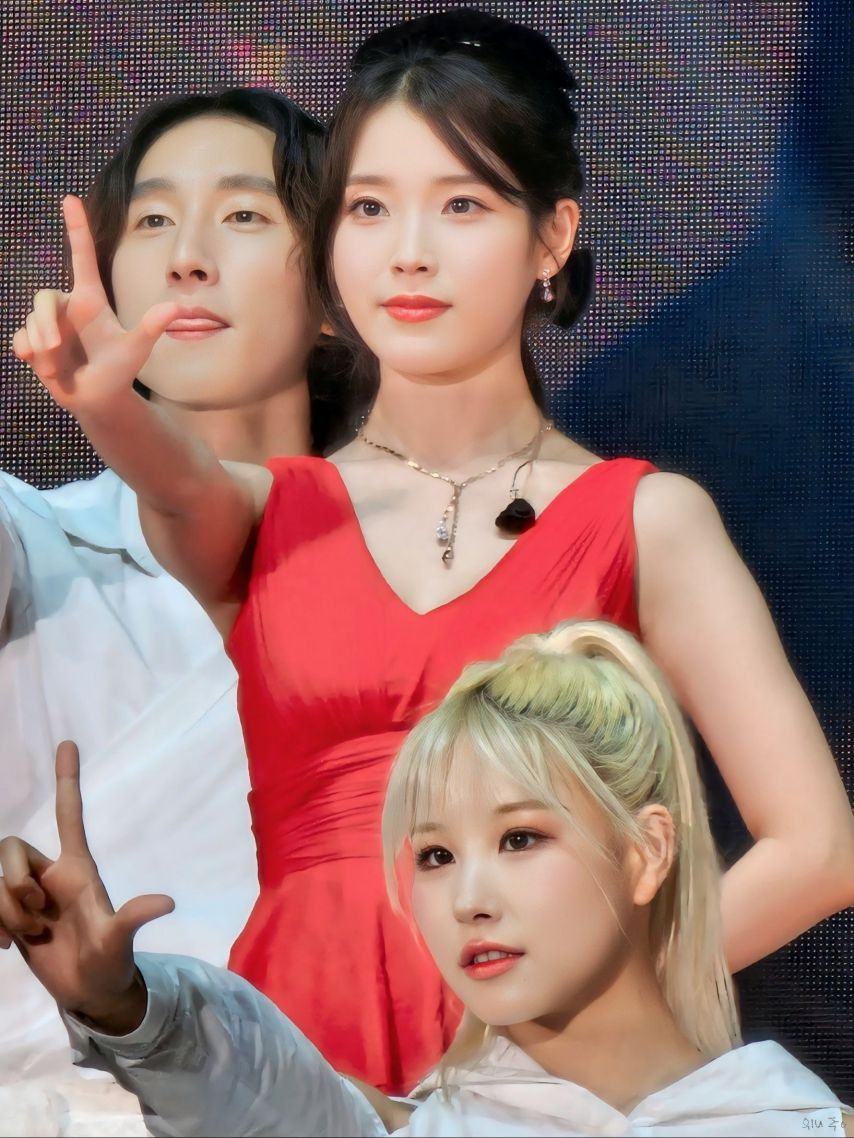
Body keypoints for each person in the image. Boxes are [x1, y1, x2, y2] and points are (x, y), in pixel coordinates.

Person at [15, 9, 854, 1095]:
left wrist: (567, 1019)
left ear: (550, 238)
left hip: (531, 1094)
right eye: (369, 208)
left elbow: (817, 849)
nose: (408, 250)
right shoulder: (270, 513)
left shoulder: (649, 513)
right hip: (280, 1078)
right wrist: (105, 403)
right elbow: (175, 482)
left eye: (461, 204)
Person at [0, 622, 851, 1136]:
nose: (468, 900)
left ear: (646, 853)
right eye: (436, 856)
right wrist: (125, 1006)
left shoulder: (803, 1122)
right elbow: (250, 1083)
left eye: (520, 838)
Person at [2, 87, 339, 1107]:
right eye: (152, 221)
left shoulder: (429, 580)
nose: (187, 258)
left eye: (243, 214)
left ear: (339, 290)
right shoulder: (31, 537)